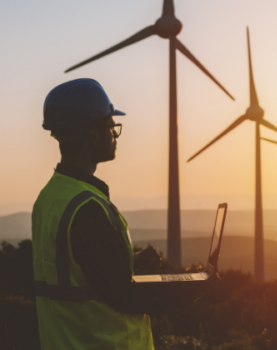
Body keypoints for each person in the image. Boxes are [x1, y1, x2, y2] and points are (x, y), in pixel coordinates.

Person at [31, 78, 197, 349]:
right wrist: (195, 289)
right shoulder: (87, 208)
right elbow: (124, 296)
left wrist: (131, 262)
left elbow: (80, 273)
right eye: (111, 128)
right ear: (94, 135)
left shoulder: (49, 199)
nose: (114, 136)